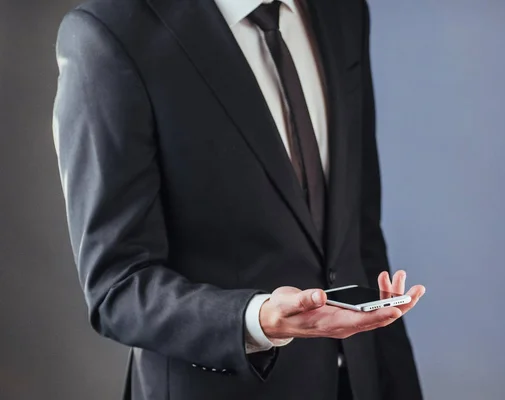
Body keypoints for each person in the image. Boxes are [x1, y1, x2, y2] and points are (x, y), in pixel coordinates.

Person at [52, 0, 426, 398]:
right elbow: (119, 287)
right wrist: (256, 319)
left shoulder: (343, 11)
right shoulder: (112, 31)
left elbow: (359, 234)